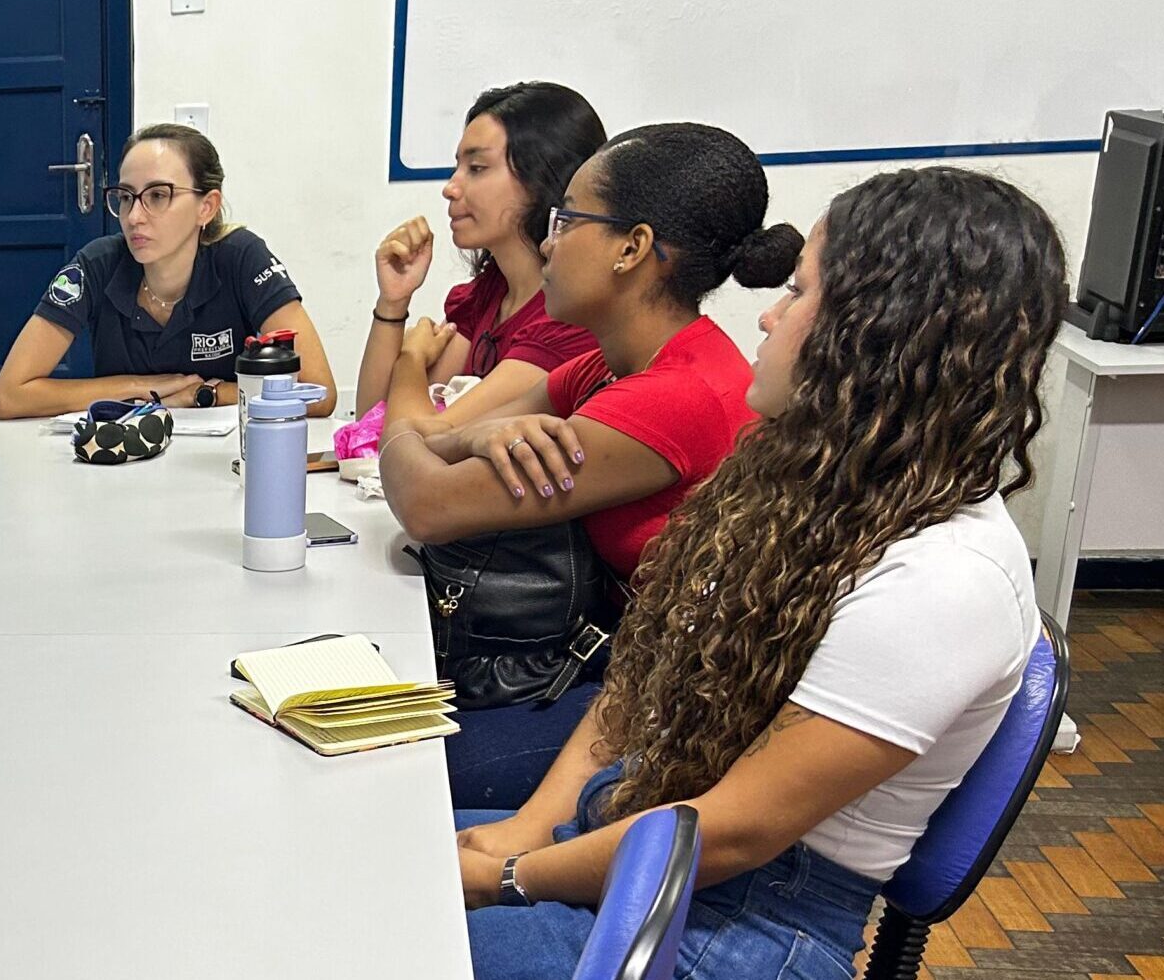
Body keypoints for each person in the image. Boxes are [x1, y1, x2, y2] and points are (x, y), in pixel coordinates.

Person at [456, 166, 1066, 978]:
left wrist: (506, 878)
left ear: (881, 331)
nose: (770, 315)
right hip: (646, 836)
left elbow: (733, 831)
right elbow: (643, 681)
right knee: (354, 850)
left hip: (750, 921)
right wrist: (526, 829)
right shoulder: (797, 481)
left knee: (354, 932)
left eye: (798, 292)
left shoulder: (948, 577)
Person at [378, 123, 800, 808]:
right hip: (610, 667)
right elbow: (440, 436)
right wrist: (469, 438)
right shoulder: (614, 363)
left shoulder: (673, 396)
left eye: (567, 219)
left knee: (388, 772)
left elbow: (428, 502)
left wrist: (408, 371)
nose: (547, 241)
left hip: (672, 709)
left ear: (633, 248)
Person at [0, 123, 336, 419]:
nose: (134, 217)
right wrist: (141, 388)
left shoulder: (241, 256)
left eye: (158, 195)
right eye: (126, 197)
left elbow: (317, 391)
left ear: (207, 206)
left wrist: (207, 396)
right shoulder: (97, 264)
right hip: (123, 462)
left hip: (219, 465)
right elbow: (8, 396)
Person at [353, 82, 605, 427]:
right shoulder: (487, 295)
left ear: (542, 177)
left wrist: (412, 357)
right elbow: (370, 426)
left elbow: (422, 440)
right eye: (458, 167)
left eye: (477, 168)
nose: (450, 187)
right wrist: (393, 303)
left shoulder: (572, 319)